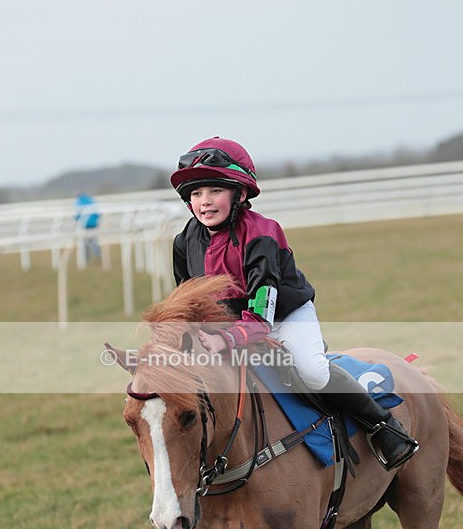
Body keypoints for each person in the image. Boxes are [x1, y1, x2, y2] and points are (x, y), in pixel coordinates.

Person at [170, 136, 418, 471]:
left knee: (312, 373)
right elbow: (188, 302)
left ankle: (384, 426)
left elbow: (262, 317)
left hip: (282, 315)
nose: (205, 202)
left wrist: (226, 339)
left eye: (215, 191)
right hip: (226, 327)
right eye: (196, 194)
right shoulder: (185, 241)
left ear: (240, 194)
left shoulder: (262, 234)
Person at [74, 192, 101, 263]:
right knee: (94, 241)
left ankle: (87, 258)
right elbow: (98, 213)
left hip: (85, 224)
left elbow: (77, 215)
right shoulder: (91, 200)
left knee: (85, 241)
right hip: (94, 224)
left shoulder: (79, 202)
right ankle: (97, 255)